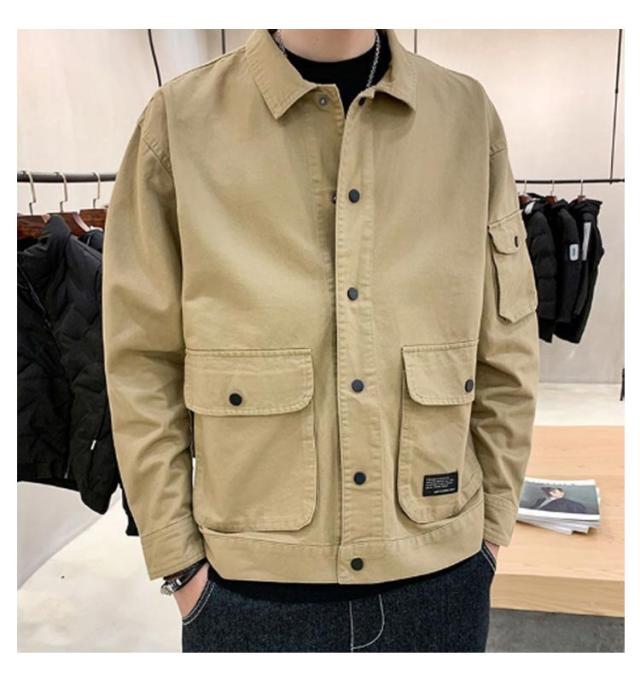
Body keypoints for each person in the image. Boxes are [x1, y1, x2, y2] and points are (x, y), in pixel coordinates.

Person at [102, 28, 539, 652]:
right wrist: (179, 564)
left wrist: (492, 526)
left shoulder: (467, 118)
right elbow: (141, 362)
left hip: (441, 574)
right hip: (247, 591)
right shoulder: (179, 121)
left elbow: (507, 343)